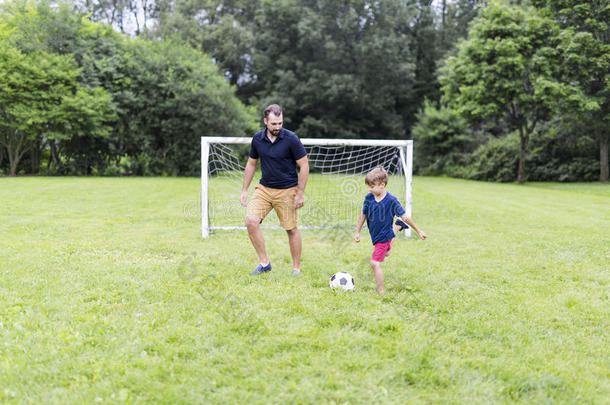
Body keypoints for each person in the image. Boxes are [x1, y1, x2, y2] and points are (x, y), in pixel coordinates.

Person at [240, 104, 309, 275]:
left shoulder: (291, 139)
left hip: (287, 190)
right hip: (264, 189)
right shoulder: (257, 139)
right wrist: (244, 190)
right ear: (265, 121)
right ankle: (264, 264)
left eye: (280, 123)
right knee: (250, 221)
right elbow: (251, 164)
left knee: (291, 229)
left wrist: (300, 193)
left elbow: (304, 164)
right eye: (274, 124)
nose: (277, 127)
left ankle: (296, 269)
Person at [354, 166, 426, 293]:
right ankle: (397, 227)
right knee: (386, 253)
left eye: (372, 186)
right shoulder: (369, 198)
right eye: (369, 187)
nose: (369, 189)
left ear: (382, 185)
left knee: (374, 263)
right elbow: (363, 215)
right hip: (376, 236)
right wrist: (357, 232)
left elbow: (405, 216)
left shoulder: (392, 201)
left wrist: (418, 230)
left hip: (384, 235)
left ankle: (380, 290)